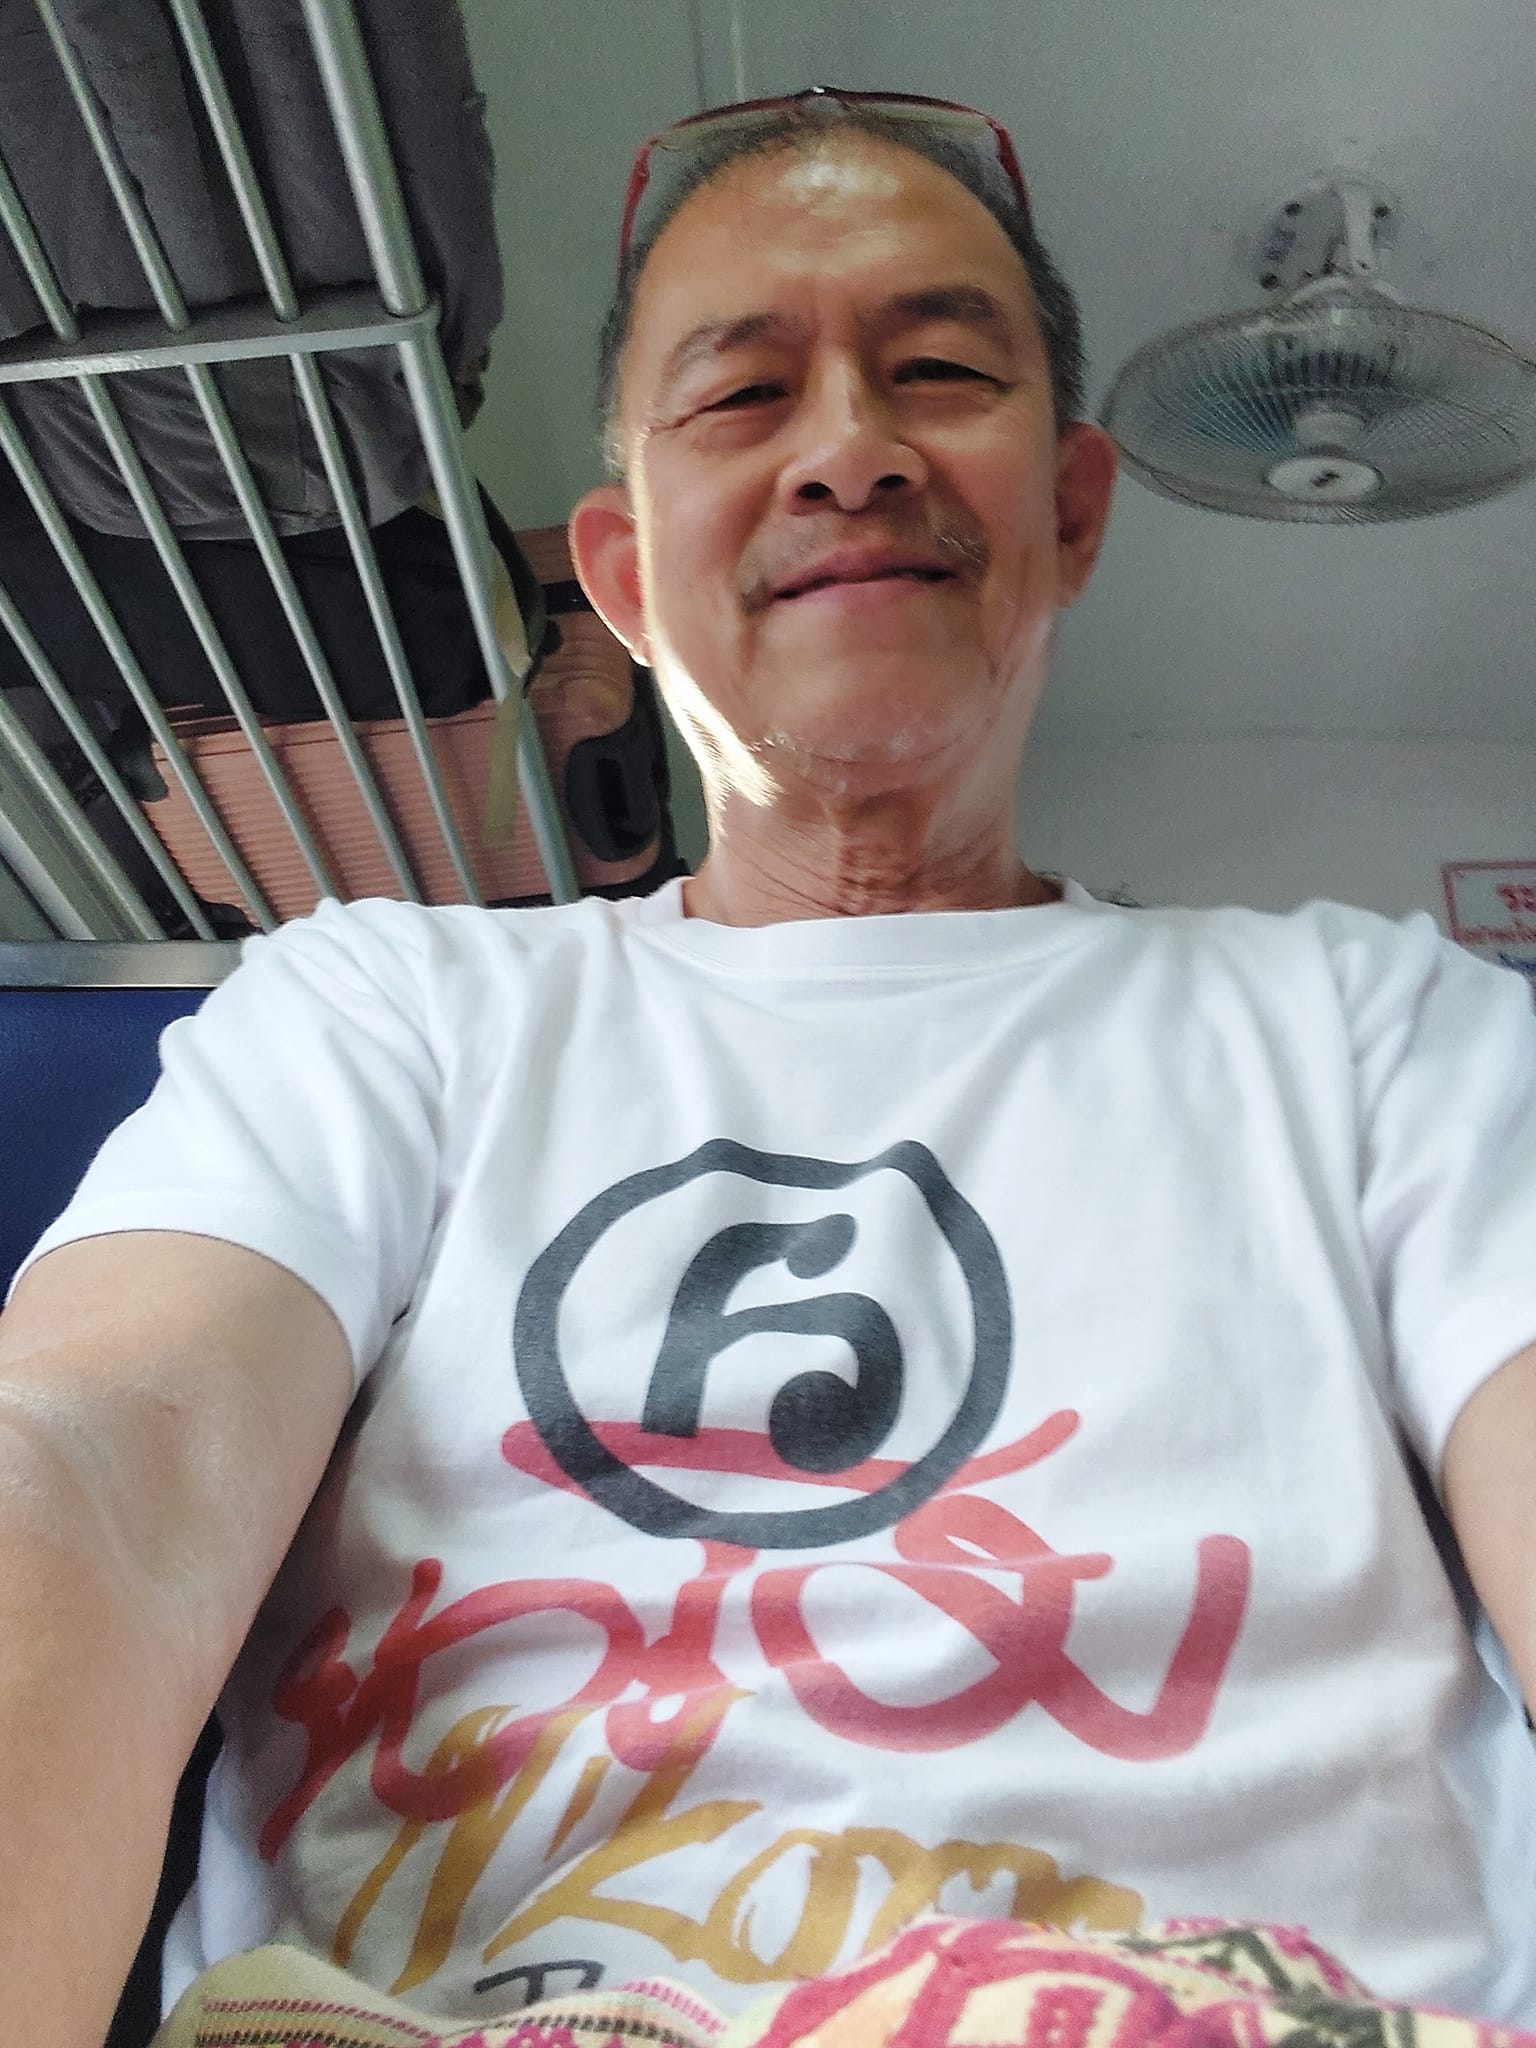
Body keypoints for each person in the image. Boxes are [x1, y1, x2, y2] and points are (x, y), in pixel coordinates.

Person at [1, 87, 1534, 2048]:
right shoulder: (379, 1008)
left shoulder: (1382, 1026)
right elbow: (97, 1465)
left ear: (1072, 509)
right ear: (626, 579)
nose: (849, 451)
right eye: (742, 396)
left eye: (939, 372)